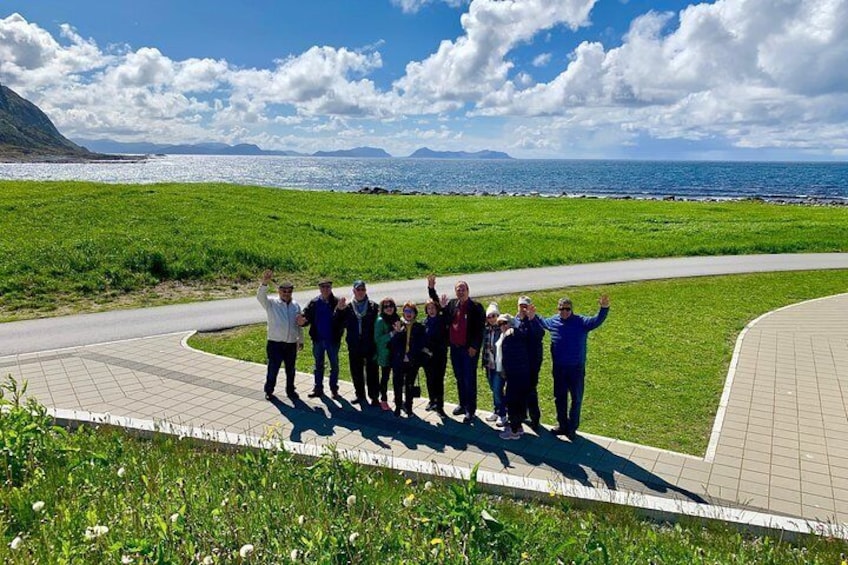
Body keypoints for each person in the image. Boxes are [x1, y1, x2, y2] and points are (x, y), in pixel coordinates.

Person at [543, 294, 610, 441]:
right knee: (559, 398)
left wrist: (604, 308)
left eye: (567, 309)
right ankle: (562, 425)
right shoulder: (552, 321)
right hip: (559, 369)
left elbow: (596, 320)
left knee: (576, 398)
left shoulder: (581, 322)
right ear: (557, 309)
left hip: (576, 369)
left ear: (571, 309)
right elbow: (540, 321)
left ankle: (572, 428)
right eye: (562, 309)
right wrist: (530, 314)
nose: (564, 312)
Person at [427, 275, 486, 424]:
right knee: (459, 377)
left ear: (468, 291)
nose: (460, 292)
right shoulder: (453, 305)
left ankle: (470, 410)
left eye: (463, 289)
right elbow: (438, 305)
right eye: (458, 289)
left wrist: (474, 346)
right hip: (455, 348)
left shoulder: (476, 307)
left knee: (469, 378)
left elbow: (480, 330)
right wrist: (431, 288)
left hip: (468, 350)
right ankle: (462, 404)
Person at [256, 270, 303, 400]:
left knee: (291, 369)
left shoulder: (295, 306)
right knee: (273, 368)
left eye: (289, 291)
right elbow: (260, 296)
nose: (287, 294)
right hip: (275, 343)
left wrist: (301, 340)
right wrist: (265, 282)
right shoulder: (271, 304)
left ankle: (290, 390)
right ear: (279, 291)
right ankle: (269, 390)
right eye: (284, 291)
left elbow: (298, 324)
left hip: (291, 343)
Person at [496, 311, 543, 440]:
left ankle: (514, 430)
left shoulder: (512, 335)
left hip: (516, 375)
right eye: (500, 324)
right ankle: (519, 427)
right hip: (520, 375)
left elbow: (511, 357)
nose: (502, 326)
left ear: (510, 323)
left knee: (513, 402)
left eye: (504, 323)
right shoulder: (509, 334)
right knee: (518, 402)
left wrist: (507, 372)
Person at [335, 280, 380, 405]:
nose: (360, 292)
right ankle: (360, 395)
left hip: (370, 344)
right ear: (353, 291)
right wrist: (339, 310)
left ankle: (374, 396)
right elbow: (337, 322)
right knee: (356, 371)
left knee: (372, 371)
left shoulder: (373, 307)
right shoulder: (347, 307)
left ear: (365, 291)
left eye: (362, 290)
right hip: (354, 345)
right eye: (358, 290)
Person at [296, 278, 343, 398]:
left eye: (328, 287)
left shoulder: (336, 302)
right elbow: (306, 317)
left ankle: (334, 389)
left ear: (331, 288)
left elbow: (343, 320)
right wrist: (302, 321)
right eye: (323, 287)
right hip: (318, 340)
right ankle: (318, 389)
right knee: (318, 365)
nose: (325, 289)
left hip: (332, 340)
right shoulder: (314, 302)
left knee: (334, 365)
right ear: (319, 288)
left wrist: (342, 310)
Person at [389, 301, 426, 417]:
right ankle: (398, 407)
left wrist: (409, 356)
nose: (408, 314)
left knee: (409, 385)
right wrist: (398, 332)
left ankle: (409, 407)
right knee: (397, 384)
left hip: (412, 361)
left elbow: (420, 345)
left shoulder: (419, 327)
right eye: (406, 311)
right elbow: (392, 345)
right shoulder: (398, 324)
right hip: (398, 361)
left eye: (411, 311)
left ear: (415, 313)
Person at [516, 295, 546, 429]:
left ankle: (535, 419)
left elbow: (539, 334)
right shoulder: (515, 320)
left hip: (532, 363)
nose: (523, 309)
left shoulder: (535, 319)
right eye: (521, 306)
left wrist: (532, 319)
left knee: (531, 391)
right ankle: (522, 415)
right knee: (520, 390)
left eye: (525, 306)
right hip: (519, 363)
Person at [421, 298, 449, 416]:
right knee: (429, 380)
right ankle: (432, 400)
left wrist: (443, 307)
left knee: (438, 381)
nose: (431, 310)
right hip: (427, 357)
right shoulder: (424, 323)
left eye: (433, 308)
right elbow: (421, 340)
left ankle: (440, 406)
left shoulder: (442, 320)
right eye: (429, 308)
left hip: (440, 356)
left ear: (437, 309)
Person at [482, 302, 506, 427]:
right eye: (489, 316)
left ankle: (503, 414)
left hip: (498, 366)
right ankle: (497, 410)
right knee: (493, 388)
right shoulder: (486, 329)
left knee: (497, 389)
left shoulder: (502, 329)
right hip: (488, 364)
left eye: (494, 315)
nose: (492, 318)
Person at [374, 297, 400, 411]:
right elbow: (378, 339)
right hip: (385, 353)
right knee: (385, 377)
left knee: (398, 376)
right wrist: (392, 334)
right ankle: (383, 399)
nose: (389, 309)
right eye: (386, 307)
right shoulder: (380, 321)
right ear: (382, 309)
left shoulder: (397, 318)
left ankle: (397, 396)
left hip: (396, 353)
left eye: (391, 306)